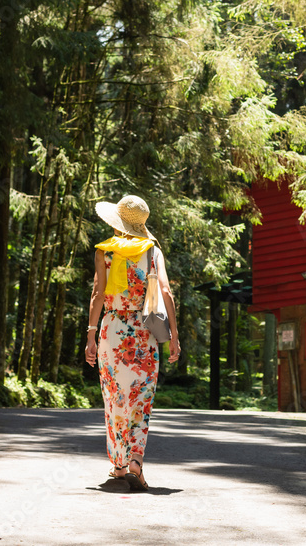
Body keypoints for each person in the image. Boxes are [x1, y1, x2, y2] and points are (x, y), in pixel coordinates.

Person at [85, 195, 180, 491]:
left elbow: (98, 295)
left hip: (111, 331)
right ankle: (136, 461)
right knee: (141, 398)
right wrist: (174, 336)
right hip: (144, 332)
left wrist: (90, 336)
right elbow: (165, 290)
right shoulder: (151, 250)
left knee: (114, 397)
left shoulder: (105, 251)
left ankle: (118, 464)